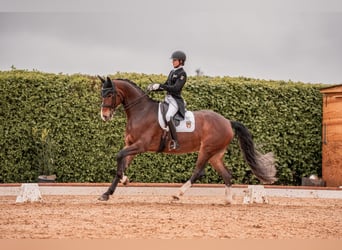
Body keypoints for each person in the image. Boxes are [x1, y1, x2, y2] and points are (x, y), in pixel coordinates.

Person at [148, 50, 187, 150]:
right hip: (168, 98)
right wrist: (155, 88)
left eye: (175, 60)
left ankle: (175, 142)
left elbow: (175, 88)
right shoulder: (172, 72)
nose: (173, 62)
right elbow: (166, 85)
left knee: (169, 116)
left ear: (181, 61)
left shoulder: (182, 74)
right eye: (173, 60)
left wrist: (161, 85)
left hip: (175, 100)